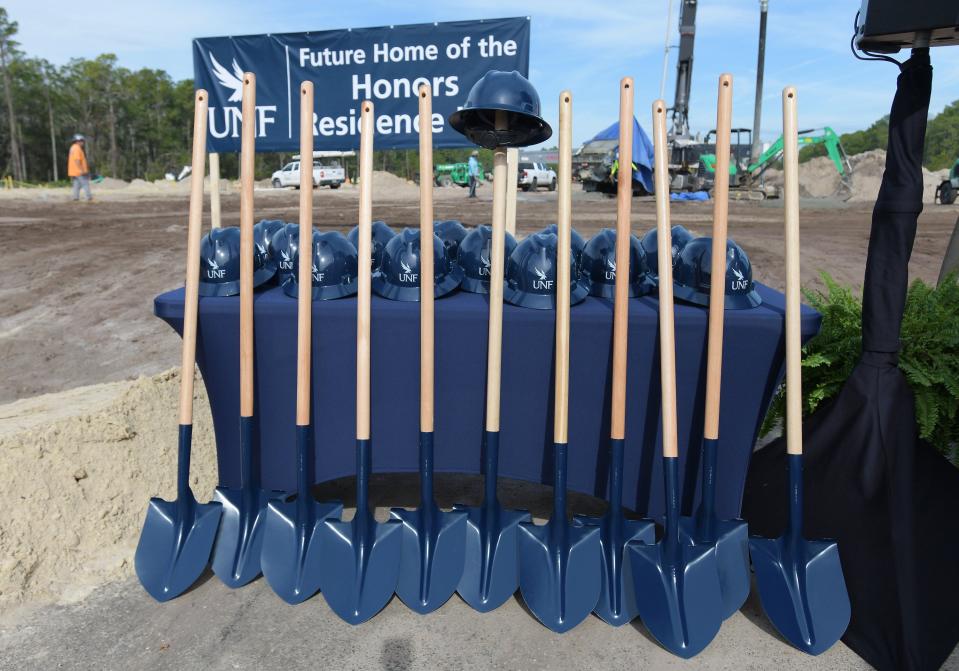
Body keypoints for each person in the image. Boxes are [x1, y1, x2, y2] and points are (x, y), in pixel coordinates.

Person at [68, 134, 93, 202]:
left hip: (73, 171)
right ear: (77, 141)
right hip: (79, 171)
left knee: (76, 184)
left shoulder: (72, 147)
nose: (83, 142)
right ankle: (89, 197)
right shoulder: (77, 148)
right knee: (85, 183)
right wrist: (81, 170)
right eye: (82, 141)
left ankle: (75, 198)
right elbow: (77, 160)